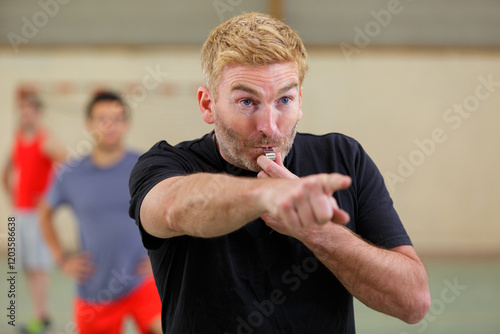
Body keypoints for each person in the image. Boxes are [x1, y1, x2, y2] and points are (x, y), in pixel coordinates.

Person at [129, 12, 431, 334]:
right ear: (208, 105)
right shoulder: (166, 163)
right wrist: (265, 196)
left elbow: (413, 302)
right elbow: (174, 208)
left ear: (300, 101)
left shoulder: (343, 158)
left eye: (284, 100)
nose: (269, 127)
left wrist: (315, 231)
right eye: (247, 101)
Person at [39, 92, 162, 334]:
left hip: (143, 282)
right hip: (95, 290)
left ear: (126, 123)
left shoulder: (145, 166)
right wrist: (61, 258)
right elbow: (44, 214)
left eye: (117, 118)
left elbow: (172, 210)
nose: (110, 126)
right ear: (89, 124)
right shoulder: (70, 174)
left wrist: (162, 253)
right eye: (102, 119)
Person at [2, 93, 66, 334]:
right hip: (21, 214)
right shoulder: (17, 141)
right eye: (22, 110)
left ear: (38, 113)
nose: (25, 114)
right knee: (27, 266)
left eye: (30, 110)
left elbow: (68, 166)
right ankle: (39, 314)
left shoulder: (46, 141)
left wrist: (51, 199)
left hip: (39, 216)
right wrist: (12, 200)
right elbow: (4, 174)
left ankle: (42, 316)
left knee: (38, 266)